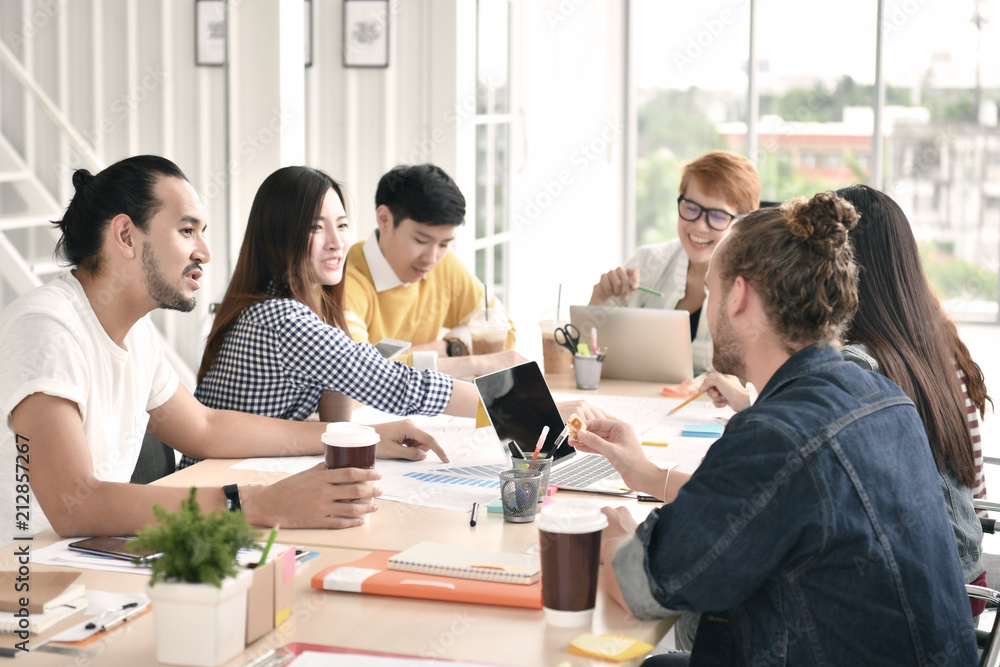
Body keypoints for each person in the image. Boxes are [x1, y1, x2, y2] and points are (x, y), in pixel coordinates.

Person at [573, 192, 977, 664]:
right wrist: (647, 478)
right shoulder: (882, 395)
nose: (706, 301)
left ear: (740, 296)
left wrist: (615, 537)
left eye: (712, 289)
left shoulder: (773, 433)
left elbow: (638, 589)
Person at [0, 156, 444, 546]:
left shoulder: (135, 334)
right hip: (23, 581)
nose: (205, 252)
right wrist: (259, 503)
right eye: (187, 230)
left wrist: (354, 437)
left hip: (79, 567)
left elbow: (205, 427)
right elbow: (75, 505)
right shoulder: (48, 328)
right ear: (125, 236)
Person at [182, 167, 483, 469]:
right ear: (279, 234)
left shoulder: (291, 303)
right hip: (209, 489)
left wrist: (370, 435)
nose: (336, 242)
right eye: (315, 228)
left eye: (341, 225)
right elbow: (401, 385)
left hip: (240, 472)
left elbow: (335, 409)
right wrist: (504, 405)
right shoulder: (283, 318)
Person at [836, 183, 991, 607]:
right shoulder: (940, 344)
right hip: (964, 577)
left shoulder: (857, 366)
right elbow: (973, 484)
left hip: (918, 596)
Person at [343, 164, 526, 378]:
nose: (431, 259)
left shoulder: (445, 264)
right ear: (384, 219)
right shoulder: (345, 280)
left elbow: (504, 331)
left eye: (444, 244)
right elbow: (359, 368)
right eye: (421, 240)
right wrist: (471, 362)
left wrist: (450, 348)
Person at [589, 151, 760, 373]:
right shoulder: (648, 262)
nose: (699, 225)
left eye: (717, 215)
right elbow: (589, 357)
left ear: (743, 224)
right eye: (691, 207)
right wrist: (600, 298)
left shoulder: (757, 289)